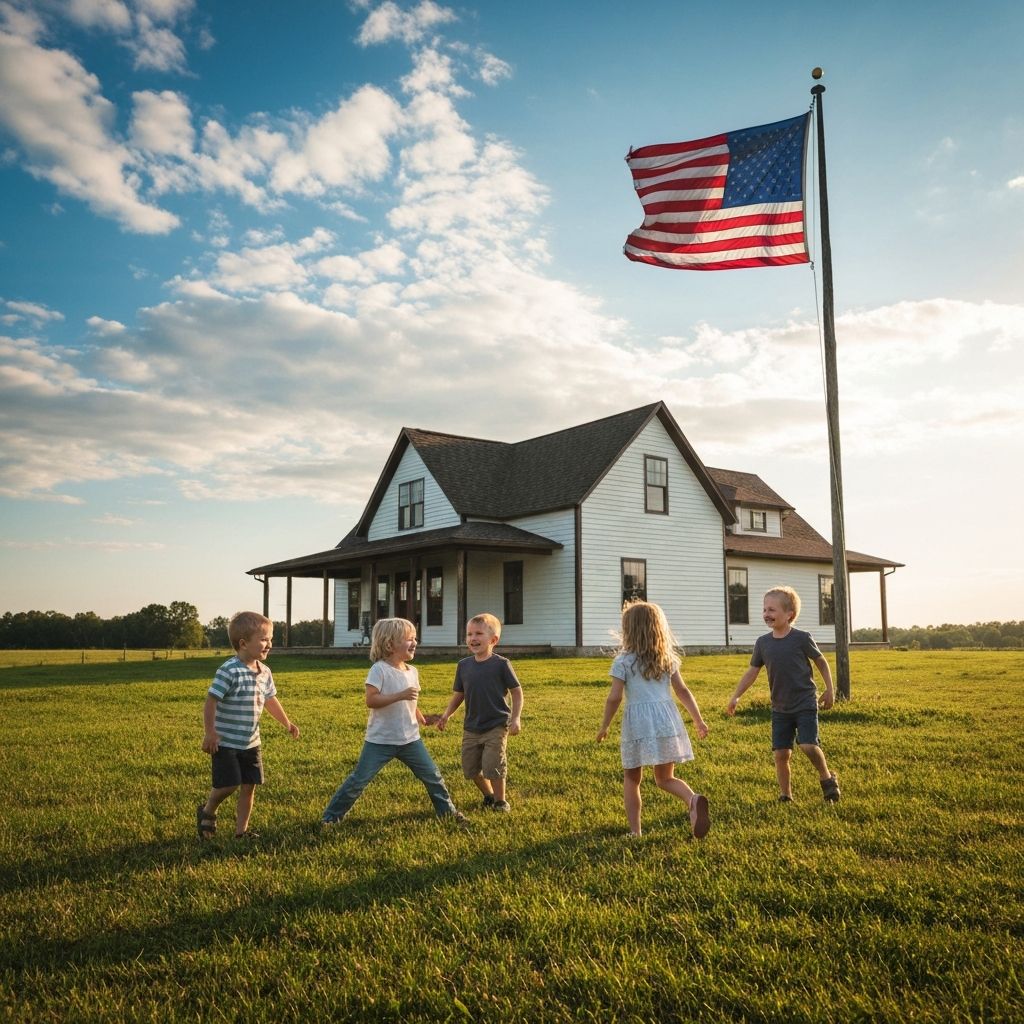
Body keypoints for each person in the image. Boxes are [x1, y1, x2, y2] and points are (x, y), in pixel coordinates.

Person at [322, 617, 467, 827]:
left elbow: (411, 702)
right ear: (390, 644)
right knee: (358, 781)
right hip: (380, 741)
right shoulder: (379, 670)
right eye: (409, 639)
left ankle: (447, 812)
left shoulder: (412, 672)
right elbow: (371, 700)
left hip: (410, 739)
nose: (415, 643)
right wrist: (400, 695)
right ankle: (330, 818)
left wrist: (423, 718)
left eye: (415, 638)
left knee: (432, 776)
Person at [596, 601, 710, 838]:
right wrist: (698, 720)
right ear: (659, 628)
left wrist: (605, 725)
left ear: (628, 630)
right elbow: (683, 691)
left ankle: (635, 831)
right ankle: (692, 799)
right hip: (666, 721)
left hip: (638, 724)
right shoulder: (668, 659)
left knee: (632, 778)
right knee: (665, 778)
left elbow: (614, 698)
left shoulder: (623, 662)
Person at [726, 585, 841, 803]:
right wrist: (736, 696)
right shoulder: (763, 643)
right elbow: (752, 671)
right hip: (780, 707)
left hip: (805, 702)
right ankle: (785, 795)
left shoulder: (801, 638)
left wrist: (829, 689)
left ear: (789, 615)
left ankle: (827, 778)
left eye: (772, 610)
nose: (766, 614)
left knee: (808, 745)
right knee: (781, 754)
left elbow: (821, 662)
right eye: (764, 609)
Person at [197, 611, 299, 841]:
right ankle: (208, 810)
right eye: (264, 639)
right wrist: (210, 733)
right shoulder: (229, 670)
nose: (269, 644)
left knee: (249, 785)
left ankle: (241, 832)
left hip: (251, 741)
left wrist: (287, 722)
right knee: (227, 785)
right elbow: (211, 700)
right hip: (226, 741)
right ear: (243, 643)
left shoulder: (265, 673)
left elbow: (270, 700)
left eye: (270, 639)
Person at [437, 613, 523, 813]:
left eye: (478, 634)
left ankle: (500, 801)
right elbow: (460, 694)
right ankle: (489, 795)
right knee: (470, 768)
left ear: (493, 640)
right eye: (469, 634)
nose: (472, 638)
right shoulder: (464, 666)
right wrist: (447, 714)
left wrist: (516, 718)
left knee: (493, 764)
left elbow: (517, 693)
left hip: (496, 724)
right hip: (472, 726)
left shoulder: (501, 664)